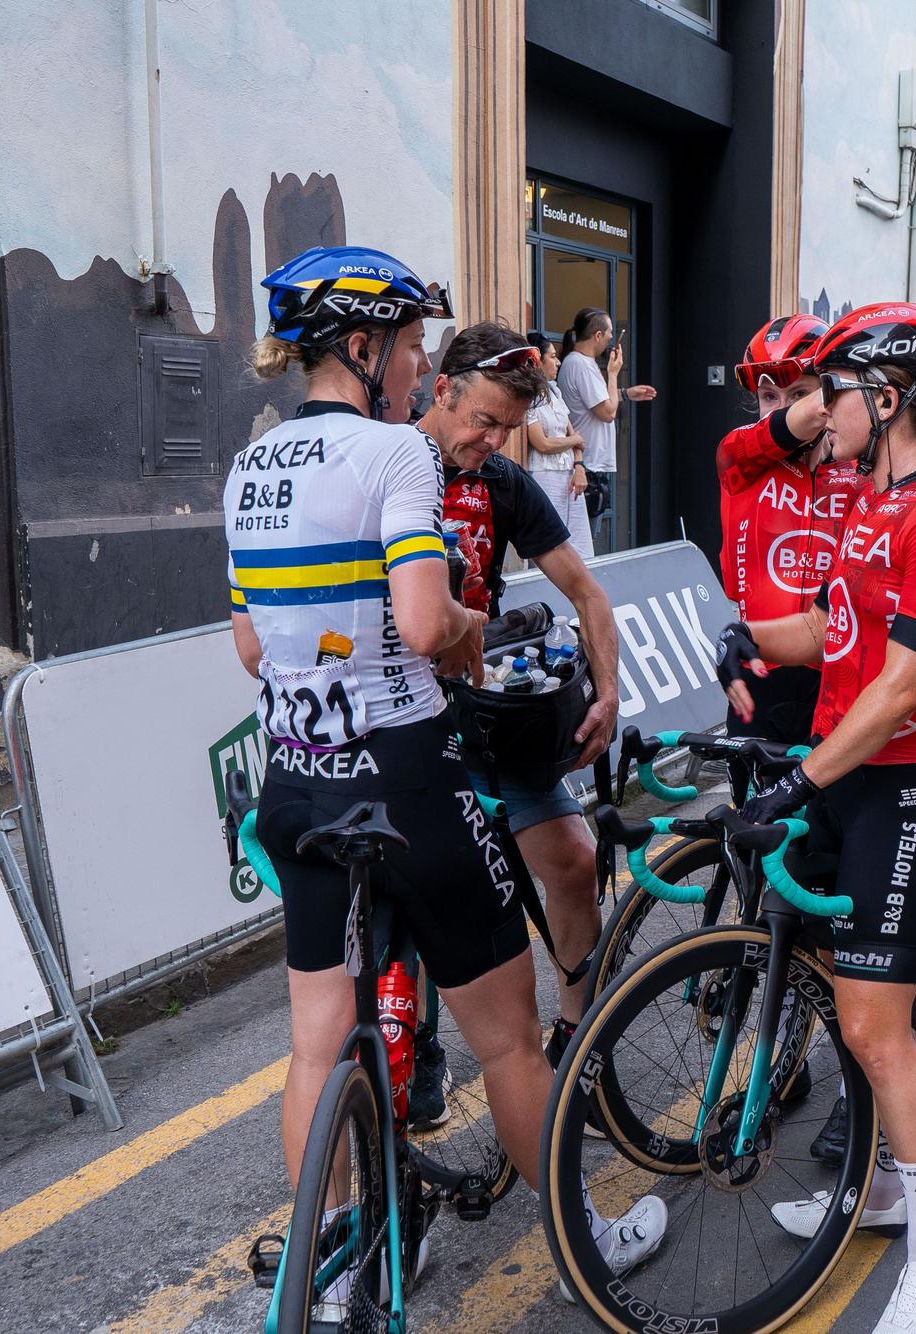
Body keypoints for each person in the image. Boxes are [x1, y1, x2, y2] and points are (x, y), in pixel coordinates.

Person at [230, 249, 663, 1300]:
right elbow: (425, 622)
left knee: (312, 1043)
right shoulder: (395, 456)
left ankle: (331, 1269)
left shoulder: (250, 466)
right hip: (405, 772)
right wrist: (468, 628)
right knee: (510, 1036)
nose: (420, 367)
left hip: (293, 775)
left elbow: (251, 647)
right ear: (365, 346)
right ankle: (583, 1250)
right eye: (415, 346)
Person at [719, 301, 916, 1333]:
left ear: (885, 399)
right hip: (843, 778)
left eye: (829, 393)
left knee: (874, 1023)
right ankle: (879, 1185)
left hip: (901, 783)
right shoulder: (869, 506)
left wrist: (799, 780)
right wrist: (743, 638)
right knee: (850, 1003)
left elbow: (899, 686)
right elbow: (829, 633)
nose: (813, 413)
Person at [424, 324, 627, 1070]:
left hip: (486, 720)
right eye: (484, 422)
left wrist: (606, 694)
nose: (494, 441)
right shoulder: (384, 466)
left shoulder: (501, 483)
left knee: (575, 860)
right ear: (440, 390)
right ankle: (415, 1049)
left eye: (509, 429)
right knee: (420, 893)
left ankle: (577, 1034)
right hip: (404, 722)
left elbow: (589, 595)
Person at [717, 313, 865, 744]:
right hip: (762, 669)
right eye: (768, 396)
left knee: (826, 809)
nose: (780, 409)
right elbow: (785, 427)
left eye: (799, 392)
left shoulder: (859, 467)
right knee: (754, 810)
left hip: (841, 671)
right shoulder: (737, 455)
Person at [557, 307, 657, 552]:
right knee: (585, 544)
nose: (613, 338)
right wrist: (614, 374)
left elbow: (598, 403)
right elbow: (607, 412)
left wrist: (626, 393)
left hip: (590, 462)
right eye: (610, 332)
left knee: (587, 537)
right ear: (598, 335)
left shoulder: (582, 363)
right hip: (586, 464)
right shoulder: (580, 365)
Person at [520, 334, 593, 561]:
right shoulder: (528, 396)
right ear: (537, 360)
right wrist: (572, 442)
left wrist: (579, 467)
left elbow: (575, 435)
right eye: (552, 356)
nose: (558, 361)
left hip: (571, 477)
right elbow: (542, 443)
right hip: (545, 476)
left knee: (582, 547)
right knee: (554, 548)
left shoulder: (555, 392)